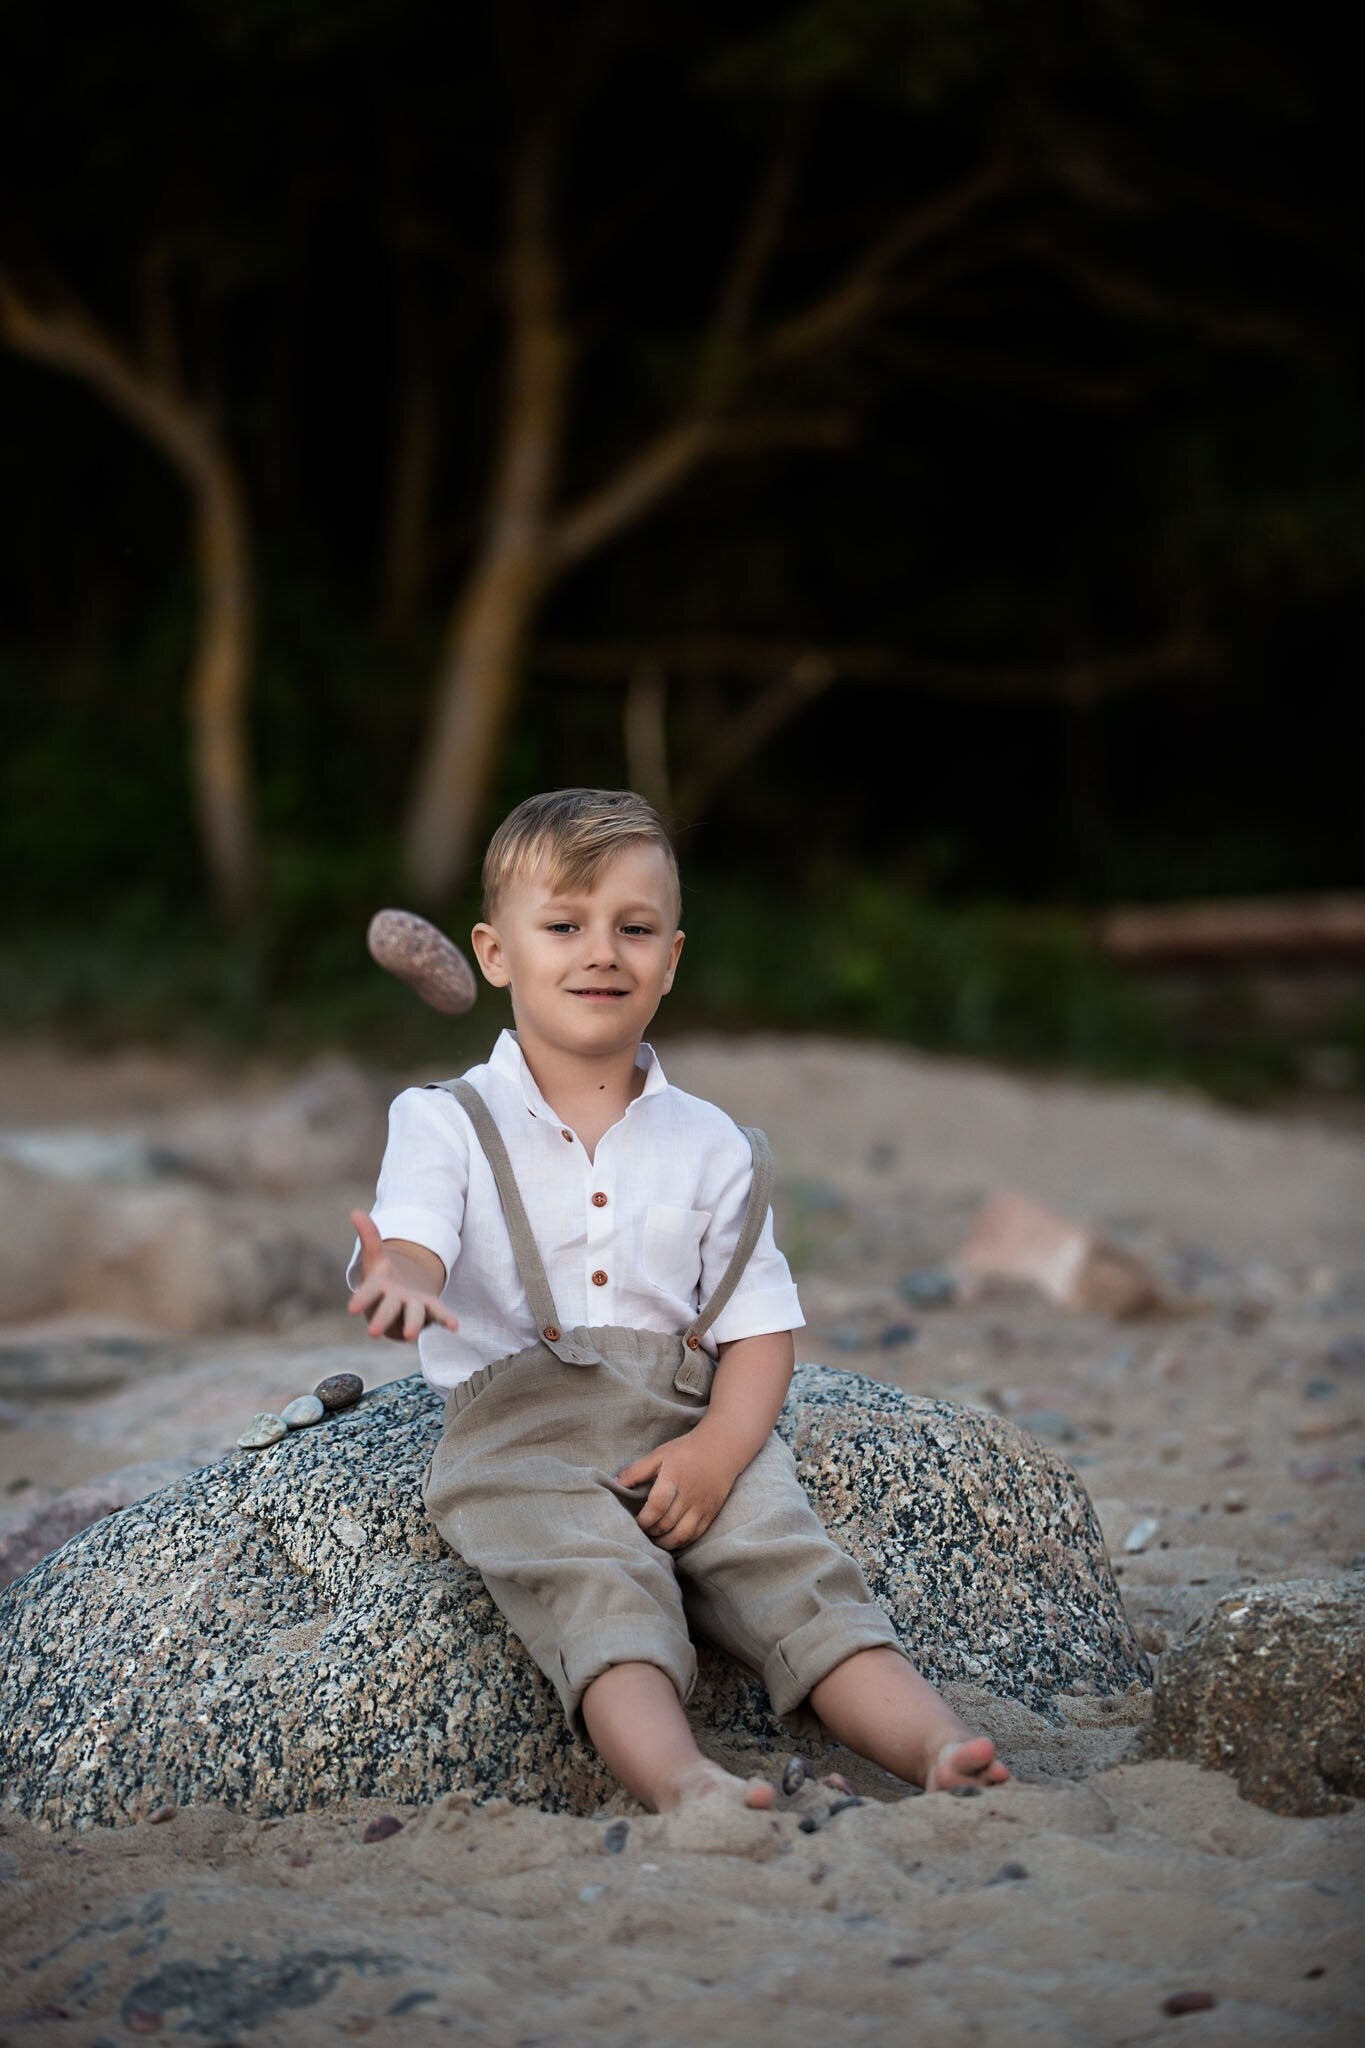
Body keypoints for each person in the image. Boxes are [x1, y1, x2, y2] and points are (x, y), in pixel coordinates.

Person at [347, 787, 1009, 1817]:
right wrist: (403, 1278)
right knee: (598, 1590)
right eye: (564, 925)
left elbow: (756, 1326)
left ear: (672, 957)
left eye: (634, 927)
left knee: (794, 1566)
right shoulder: (445, 1119)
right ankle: (683, 1778)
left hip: (686, 1416)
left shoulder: (710, 1141)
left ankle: (935, 1743)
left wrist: (721, 1448)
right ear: (493, 952)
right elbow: (417, 1233)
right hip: (520, 1434)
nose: (601, 950)